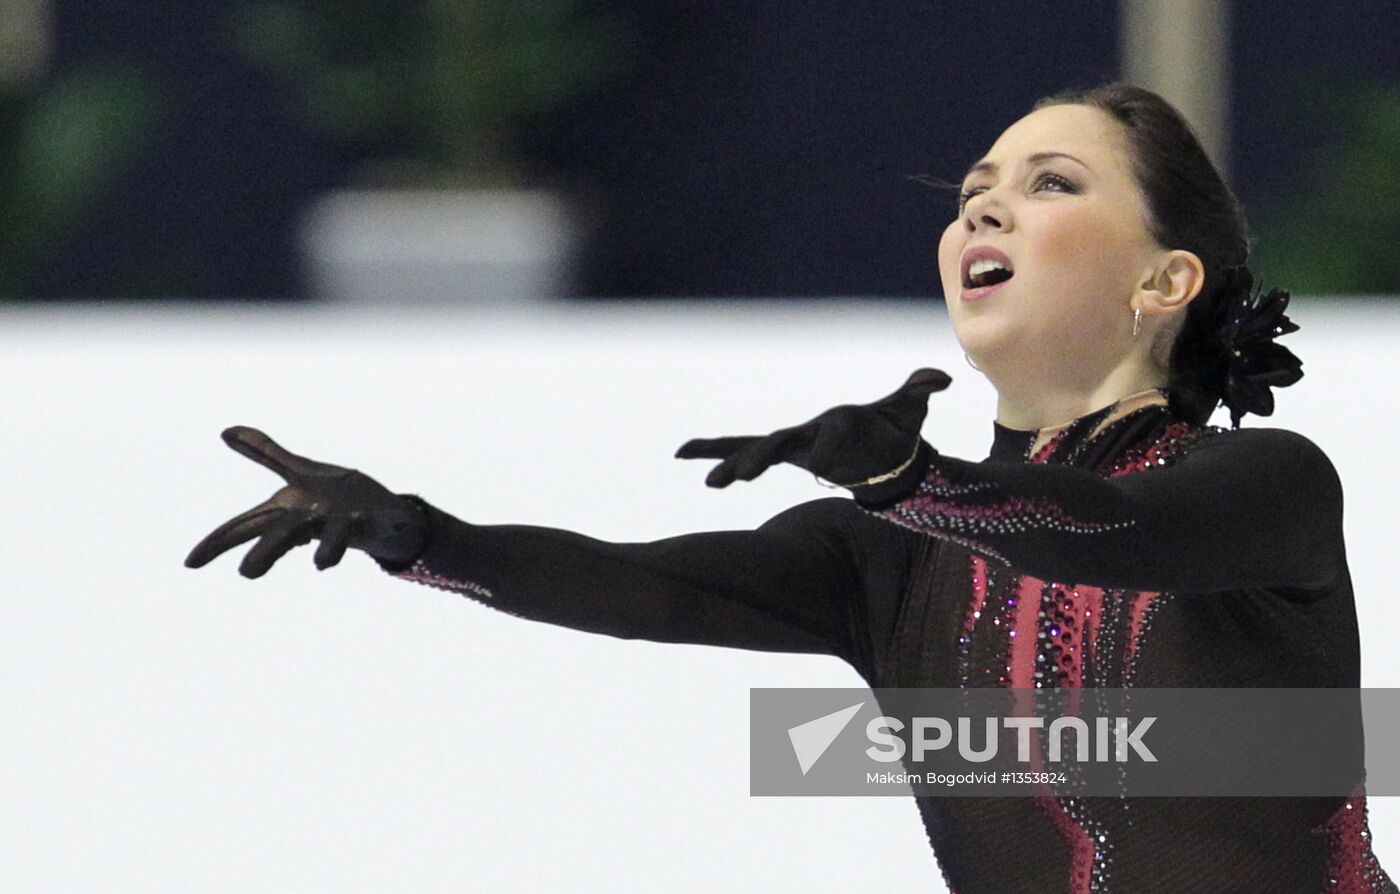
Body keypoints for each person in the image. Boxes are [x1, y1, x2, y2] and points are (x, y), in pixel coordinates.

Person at [185, 83, 1394, 893]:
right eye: (979, 185)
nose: (984, 202)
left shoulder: (1262, 487)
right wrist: (419, 535)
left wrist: (909, 479)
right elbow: (635, 582)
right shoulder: (886, 558)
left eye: (1050, 184)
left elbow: (1109, 533)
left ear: (1164, 278)